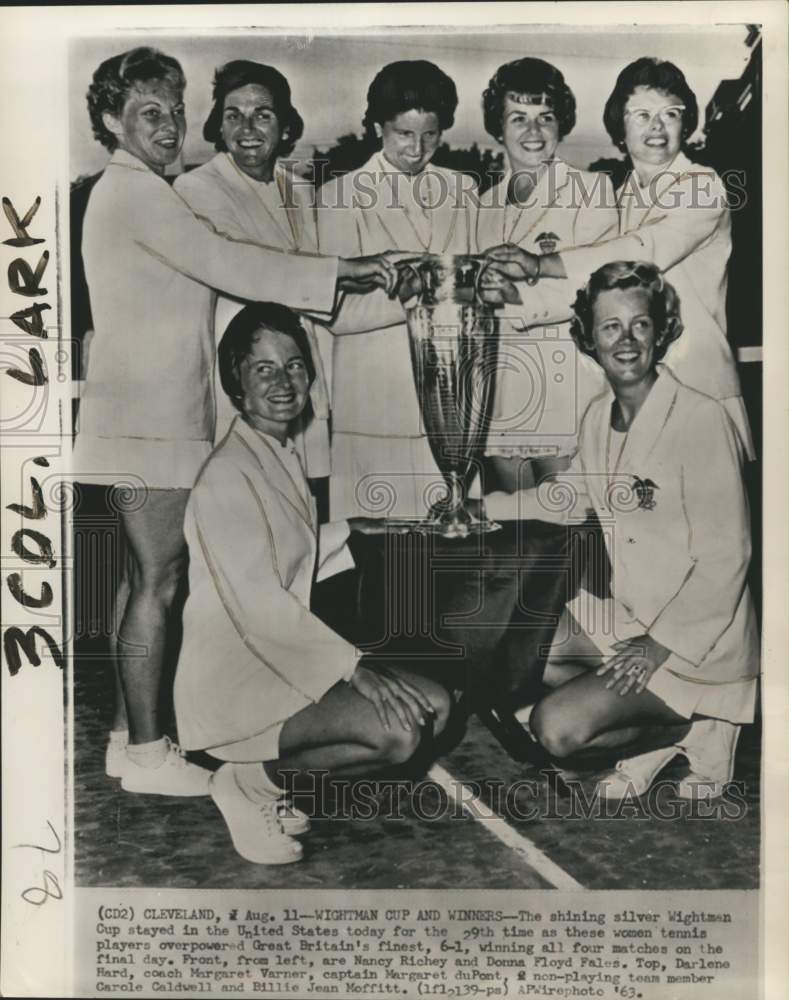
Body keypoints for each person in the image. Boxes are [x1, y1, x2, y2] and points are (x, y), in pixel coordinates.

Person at [74, 47, 398, 797]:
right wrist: (340, 271)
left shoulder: (140, 190)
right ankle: (151, 754)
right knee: (158, 581)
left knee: (144, 579)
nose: (167, 127)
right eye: (148, 114)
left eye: (172, 112)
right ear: (111, 122)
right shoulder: (137, 193)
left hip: (154, 419)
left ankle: (131, 739)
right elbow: (229, 261)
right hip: (150, 423)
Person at [173, 303, 451, 864]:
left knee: (437, 706)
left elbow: (282, 545)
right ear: (236, 382)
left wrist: (350, 527)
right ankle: (248, 783)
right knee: (397, 732)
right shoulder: (227, 474)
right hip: (238, 682)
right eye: (264, 369)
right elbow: (260, 604)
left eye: (295, 366)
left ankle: (266, 782)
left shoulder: (274, 451)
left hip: (278, 660)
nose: (284, 383)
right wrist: (357, 668)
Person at [484, 262, 758, 799]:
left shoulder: (702, 419)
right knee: (523, 641)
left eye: (640, 324)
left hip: (699, 641)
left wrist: (657, 647)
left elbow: (730, 555)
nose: (626, 340)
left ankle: (700, 725)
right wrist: (479, 508)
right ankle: (656, 730)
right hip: (634, 621)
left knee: (555, 731)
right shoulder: (595, 418)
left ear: (663, 331)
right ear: (588, 338)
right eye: (610, 326)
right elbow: (565, 501)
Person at [485, 57, 754, 461]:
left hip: (697, 385)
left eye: (671, 114)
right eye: (642, 115)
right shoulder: (624, 193)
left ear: (687, 123)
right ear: (620, 127)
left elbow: (639, 255)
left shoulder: (702, 185)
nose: (657, 127)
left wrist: (539, 265)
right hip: (634, 391)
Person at [317, 60, 553, 519]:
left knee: (454, 566)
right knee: (380, 566)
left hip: (454, 411)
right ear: (376, 127)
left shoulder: (463, 190)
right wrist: (418, 293)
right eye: (404, 134)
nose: (417, 148)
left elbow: (476, 292)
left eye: (430, 134)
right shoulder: (338, 196)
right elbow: (334, 312)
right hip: (374, 415)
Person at [174, 59, 407, 478]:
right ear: (219, 128)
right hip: (243, 389)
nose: (247, 128)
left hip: (304, 392)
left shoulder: (299, 190)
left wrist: (408, 286)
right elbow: (258, 272)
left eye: (262, 114)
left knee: (305, 516)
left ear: (285, 128)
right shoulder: (194, 190)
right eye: (233, 116)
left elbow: (324, 300)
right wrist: (350, 268)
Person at [473, 58, 619, 491]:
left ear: (563, 124)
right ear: (498, 128)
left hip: (568, 384)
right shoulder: (480, 206)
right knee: (513, 537)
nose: (533, 132)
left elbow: (600, 287)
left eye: (545, 117)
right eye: (518, 118)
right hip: (502, 390)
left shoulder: (592, 190)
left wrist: (517, 299)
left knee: (573, 530)